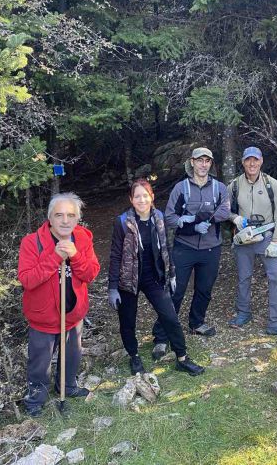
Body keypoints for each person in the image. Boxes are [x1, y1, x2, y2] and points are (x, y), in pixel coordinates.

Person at [107, 179, 205, 376]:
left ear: (151, 197)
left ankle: (182, 358)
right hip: (129, 280)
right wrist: (113, 287)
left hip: (154, 277)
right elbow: (116, 255)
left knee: (170, 317)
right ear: (131, 199)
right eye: (137, 196)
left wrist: (172, 274)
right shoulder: (123, 222)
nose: (141, 200)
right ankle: (134, 356)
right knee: (128, 321)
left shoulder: (158, 216)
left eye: (145, 195)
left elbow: (167, 247)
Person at [18, 192, 100, 417]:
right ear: (50, 218)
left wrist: (75, 256)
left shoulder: (83, 238)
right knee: (40, 361)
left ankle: (68, 386)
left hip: (73, 313)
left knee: (73, 355)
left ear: (78, 218)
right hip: (43, 316)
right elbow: (27, 279)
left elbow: (91, 273)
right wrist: (54, 256)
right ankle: (36, 398)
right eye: (59, 215)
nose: (65, 220)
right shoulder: (32, 242)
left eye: (71, 215)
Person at [151, 147, 230, 360]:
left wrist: (206, 219)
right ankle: (161, 336)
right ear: (192, 163)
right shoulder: (181, 188)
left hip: (211, 248)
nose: (203, 164)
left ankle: (196, 323)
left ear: (210, 164)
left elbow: (224, 210)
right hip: (184, 247)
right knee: (175, 292)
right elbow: (169, 217)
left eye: (207, 161)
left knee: (204, 289)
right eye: (199, 160)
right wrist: (190, 224)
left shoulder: (219, 188)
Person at [227, 147, 277, 338]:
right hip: (244, 236)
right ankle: (243, 313)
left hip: (266, 235)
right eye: (248, 160)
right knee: (244, 277)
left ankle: (275, 321)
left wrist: (276, 240)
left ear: (261, 161)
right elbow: (225, 210)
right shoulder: (234, 185)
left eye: (255, 160)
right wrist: (235, 219)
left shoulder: (270, 184)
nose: (252, 164)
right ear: (243, 162)